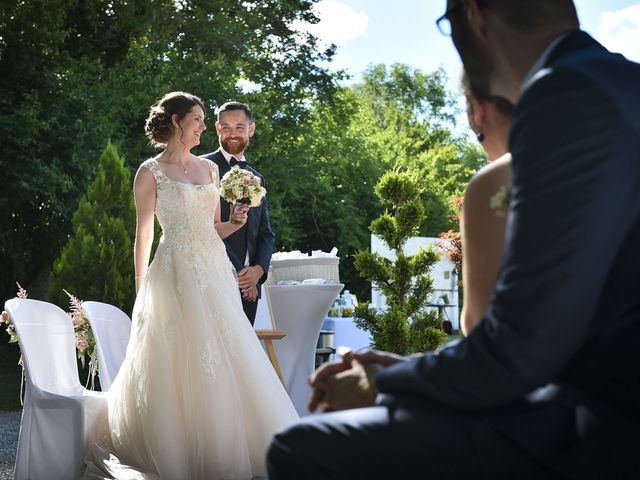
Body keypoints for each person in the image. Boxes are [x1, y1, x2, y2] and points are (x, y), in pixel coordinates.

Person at [267, 1, 640, 478]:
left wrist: (386, 381)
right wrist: (408, 370)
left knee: (303, 445)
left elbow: (518, 353)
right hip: (595, 396)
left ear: (474, 18)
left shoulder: (564, 94)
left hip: (604, 424)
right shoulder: (618, 84)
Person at [83, 92, 297, 479]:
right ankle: (176, 445)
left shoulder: (210, 171)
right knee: (177, 352)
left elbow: (213, 228)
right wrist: (141, 285)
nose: (203, 126)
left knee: (226, 346)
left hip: (214, 269)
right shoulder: (150, 172)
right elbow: (143, 234)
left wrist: (237, 220)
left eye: (202, 119)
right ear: (177, 121)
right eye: (198, 119)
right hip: (174, 269)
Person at [202, 102, 274, 326]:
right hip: (213, 280)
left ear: (251, 129)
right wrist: (243, 275)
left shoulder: (257, 178)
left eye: (239, 128)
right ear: (217, 128)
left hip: (249, 290)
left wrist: (257, 272)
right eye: (226, 127)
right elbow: (200, 228)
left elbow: (265, 234)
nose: (232, 134)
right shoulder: (201, 169)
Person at [459, 72, 514, 335]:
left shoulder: (497, 182)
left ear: (479, 108)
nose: (489, 158)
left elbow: (478, 327)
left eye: (479, 137)